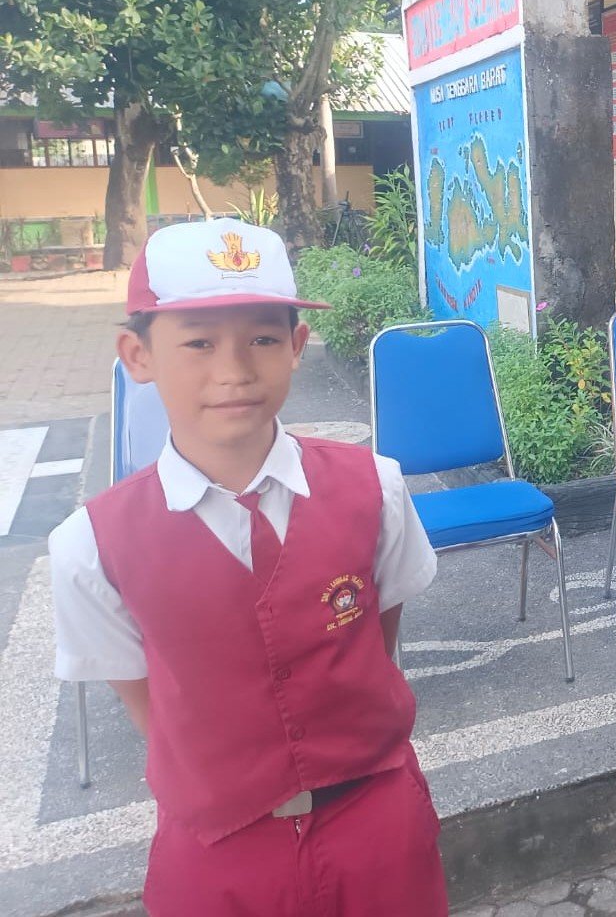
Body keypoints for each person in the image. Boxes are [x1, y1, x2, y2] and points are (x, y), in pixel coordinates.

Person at [48, 218, 446, 915]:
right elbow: (153, 705)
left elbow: (375, 644)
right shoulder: (91, 545)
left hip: (376, 820)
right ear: (136, 355)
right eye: (197, 343)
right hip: (217, 851)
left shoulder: (375, 487)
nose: (233, 370)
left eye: (263, 338)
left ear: (296, 347)